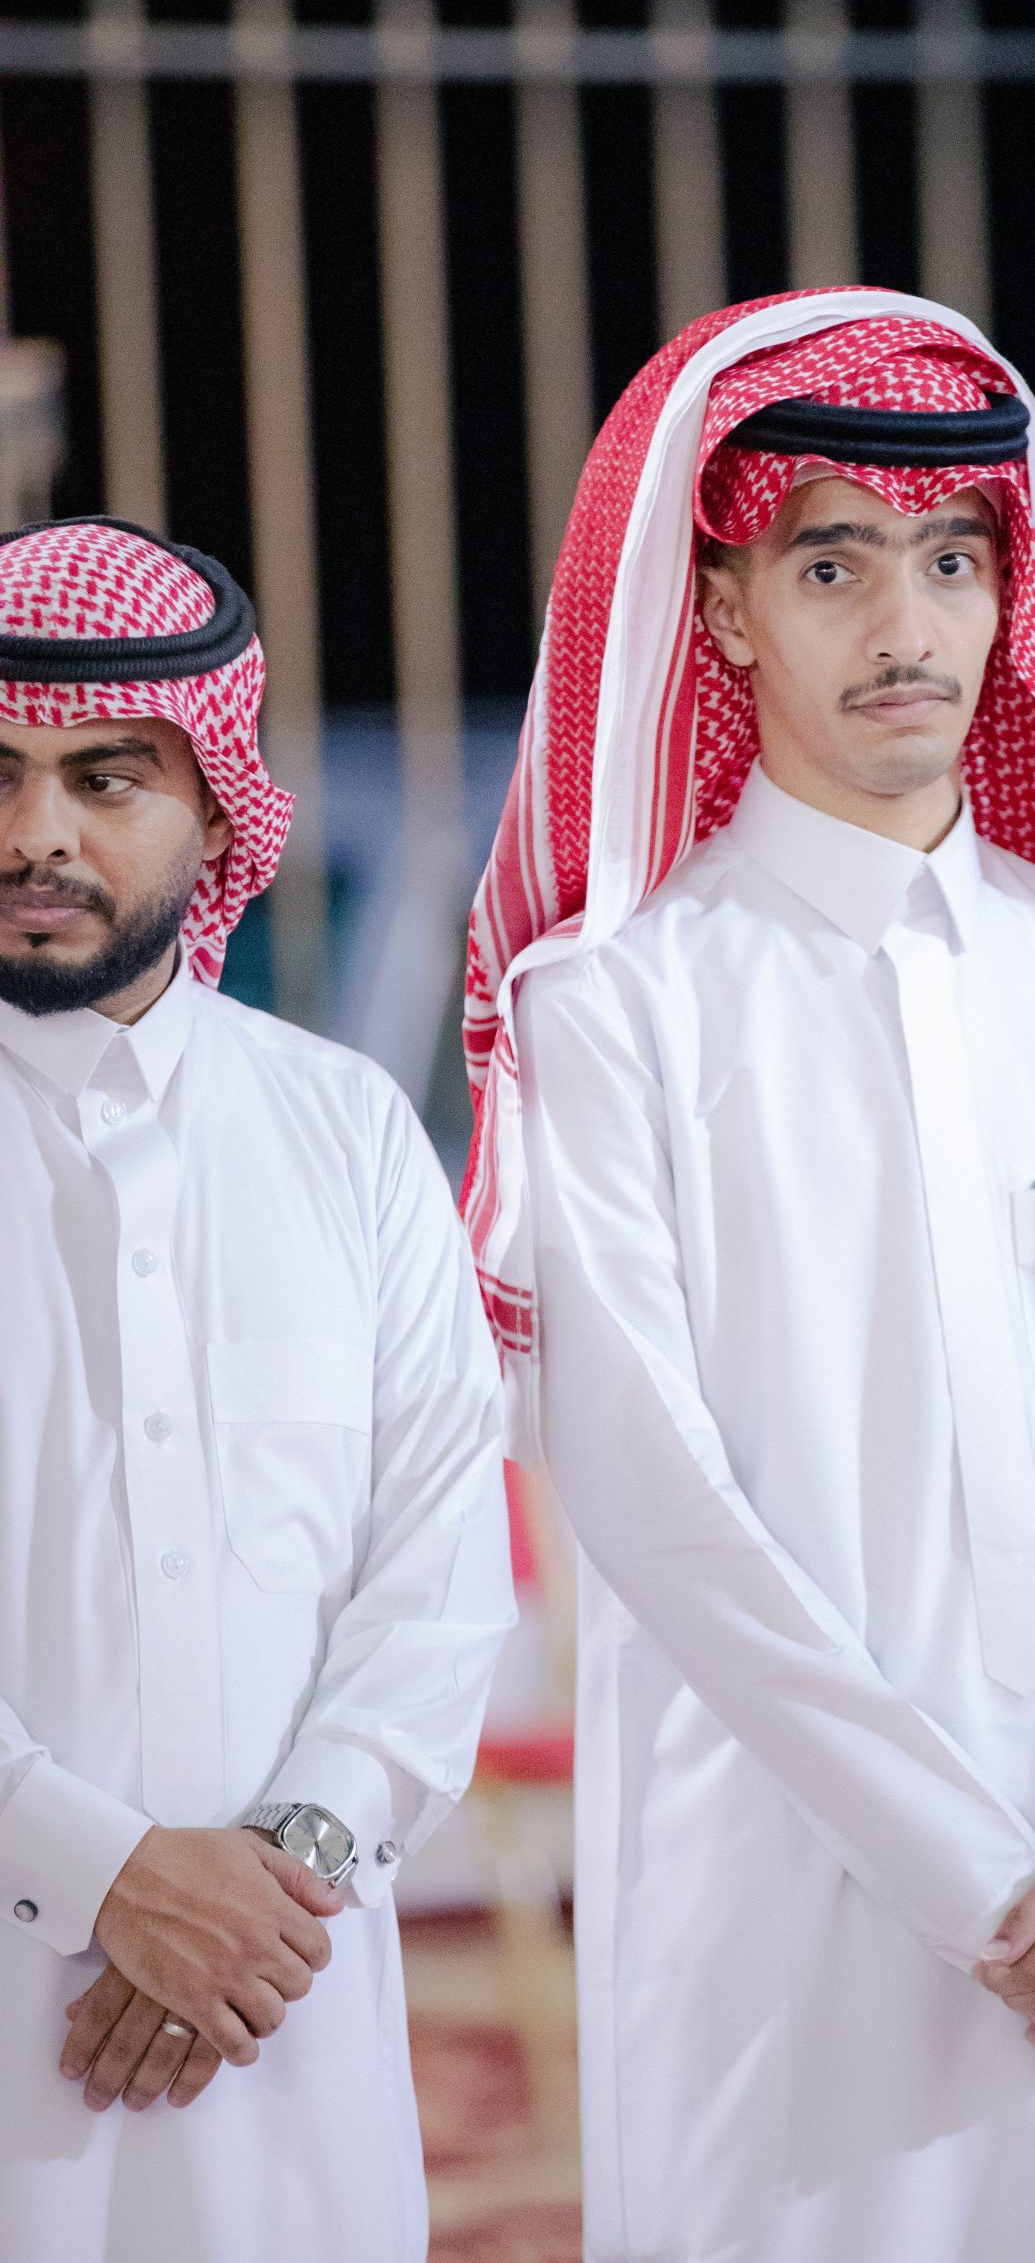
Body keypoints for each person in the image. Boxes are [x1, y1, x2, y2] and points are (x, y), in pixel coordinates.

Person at [462, 292, 1035, 2262]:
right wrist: (985, 1888)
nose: (905, 626)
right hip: (789, 1915)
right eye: (832, 565)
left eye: (950, 562)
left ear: (1011, 601)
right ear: (726, 610)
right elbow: (653, 1502)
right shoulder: (616, 1006)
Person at [0, 517, 515, 2262]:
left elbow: (441, 1570)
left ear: (220, 811)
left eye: (106, 777)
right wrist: (107, 1876)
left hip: (282, 2015)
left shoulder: (344, 1131)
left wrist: (271, 1881)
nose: (37, 833)